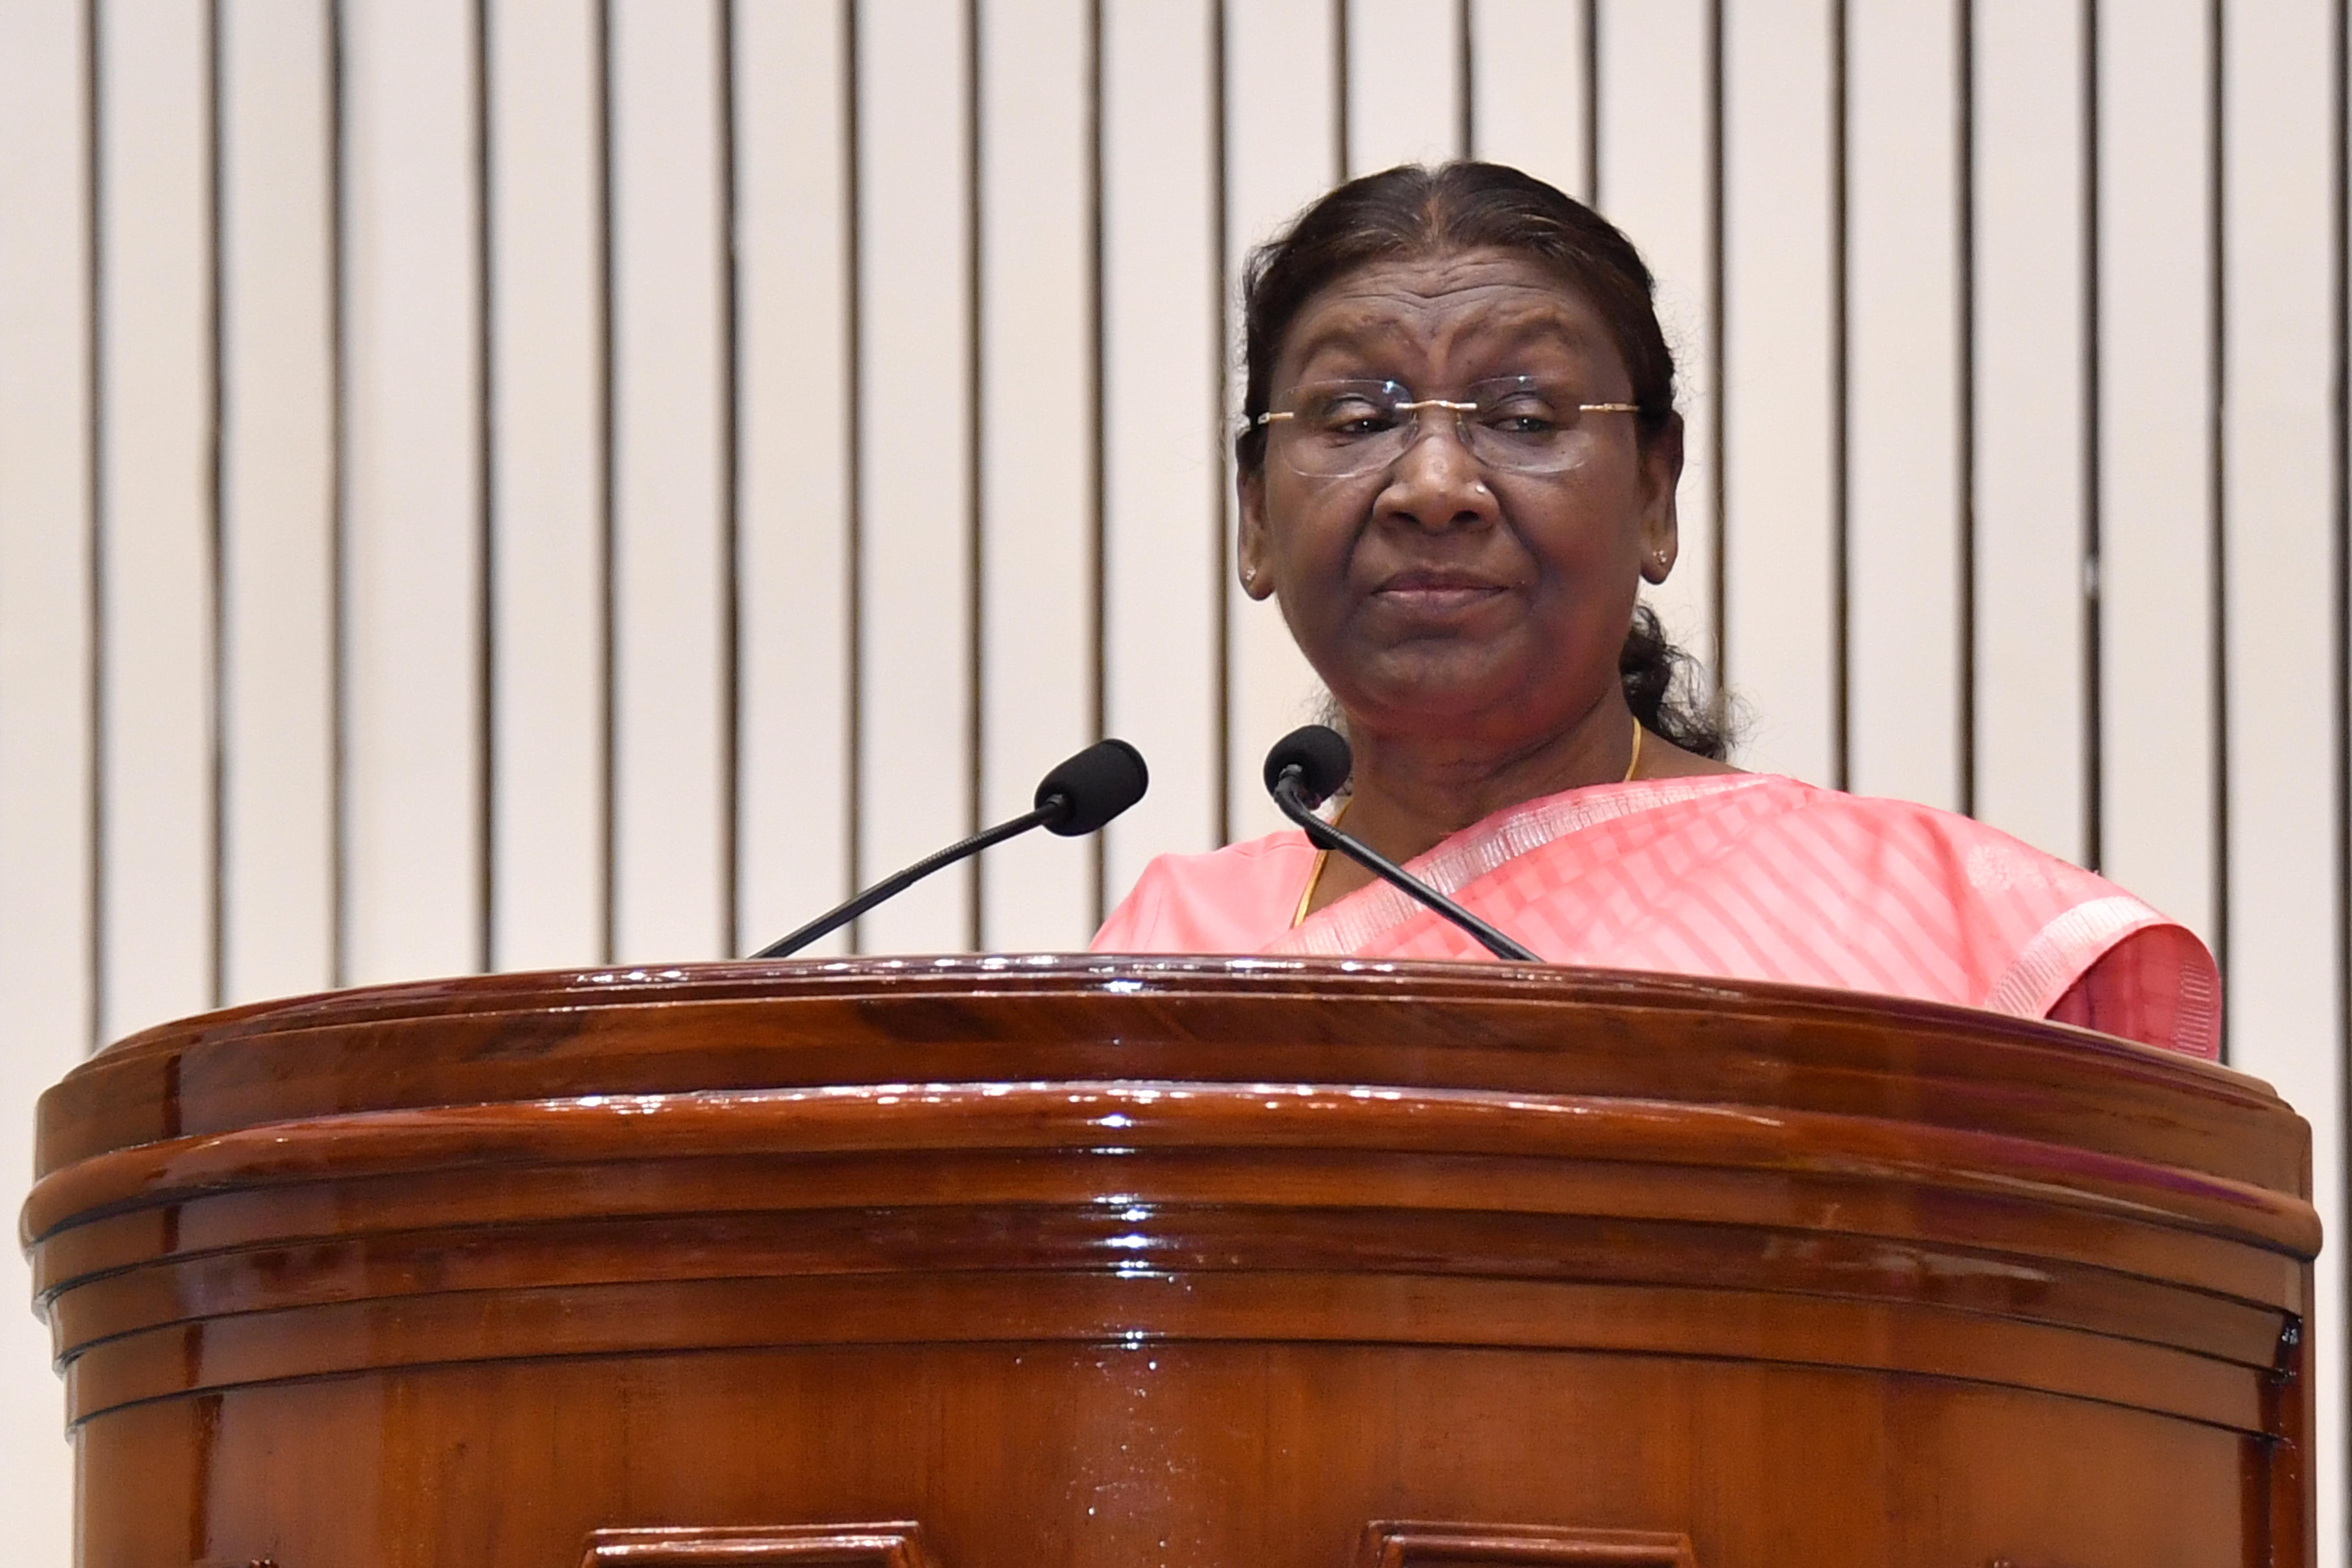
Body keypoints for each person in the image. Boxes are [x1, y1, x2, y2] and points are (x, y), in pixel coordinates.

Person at [1091, 160, 2218, 1061]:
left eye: (1525, 417)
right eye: (1353, 419)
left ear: (1655, 495)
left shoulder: (1936, 930)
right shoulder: (1165, 957)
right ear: (1254, 517)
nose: (1434, 486)